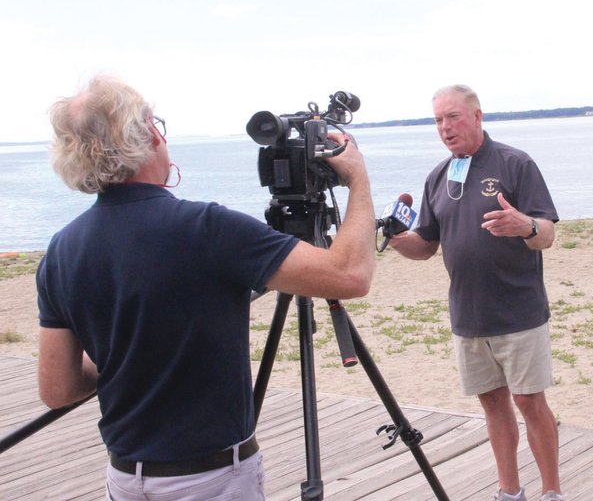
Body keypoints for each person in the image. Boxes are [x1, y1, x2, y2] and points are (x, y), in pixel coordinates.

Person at [36, 75, 375, 500]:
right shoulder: (206, 229)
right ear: (149, 134)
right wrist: (358, 178)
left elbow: (57, 389)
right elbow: (351, 275)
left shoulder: (61, 250)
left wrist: (130, 353)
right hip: (211, 480)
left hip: (125, 478)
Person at [389, 85, 563, 501]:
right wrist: (396, 239)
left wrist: (526, 227)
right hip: (468, 316)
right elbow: (426, 246)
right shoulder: (437, 176)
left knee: (529, 403)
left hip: (518, 311)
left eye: (453, 117)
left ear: (478, 116)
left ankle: (552, 493)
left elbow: (548, 234)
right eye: (437, 120)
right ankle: (509, 492)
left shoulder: (515, 163)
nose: (445, 128)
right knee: (492, 405)